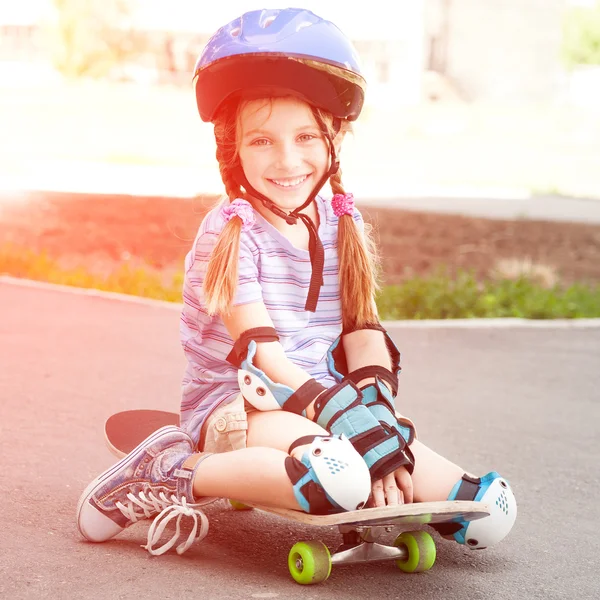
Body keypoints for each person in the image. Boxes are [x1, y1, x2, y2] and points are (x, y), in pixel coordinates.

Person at [76, 7, 516, 557]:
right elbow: (265, 364)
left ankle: (347, 461)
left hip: (328, 403)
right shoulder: (231, 234)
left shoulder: (341, 222)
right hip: (240, 406)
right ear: (231, 148)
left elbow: (363, 331)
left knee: (487, 510)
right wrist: (352, 425)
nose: (288, 160)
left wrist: (375, 414)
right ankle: (170, 468)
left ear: (333, 139)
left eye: (306, 136)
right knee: (341, 477)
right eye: (261, 141)